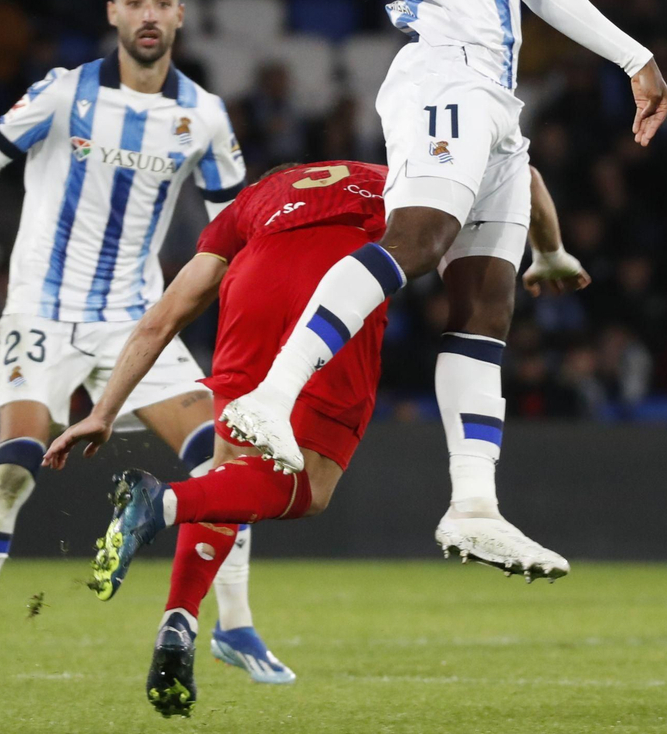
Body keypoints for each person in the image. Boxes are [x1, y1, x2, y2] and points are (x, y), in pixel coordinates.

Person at [221, 0, 667, 578]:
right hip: (444, 75)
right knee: (420, 241)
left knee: (486, 305)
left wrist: (634, 56)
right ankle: (271, 398)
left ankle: (473, 506)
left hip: (497, 102)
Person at [42, 160, 589, 717]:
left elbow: (165, 316)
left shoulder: (252, 201)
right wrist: (551, 252)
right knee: (310, 485)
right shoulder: (401, 171)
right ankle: (163, 502)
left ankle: (177, 621)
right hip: (338, 283)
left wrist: (104, 411)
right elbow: (524, 175)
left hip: (252, 283)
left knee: (232, 470)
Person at [0, 0, 291, 687]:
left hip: (135, 321)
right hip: (43, 310)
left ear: (181, 14)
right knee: (14, 467)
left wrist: (258, 322)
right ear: (113, 13)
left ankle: (238, 625)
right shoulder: (64, 94)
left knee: (226, 456)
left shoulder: (203, 117)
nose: (149, 13)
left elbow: (236, 233)